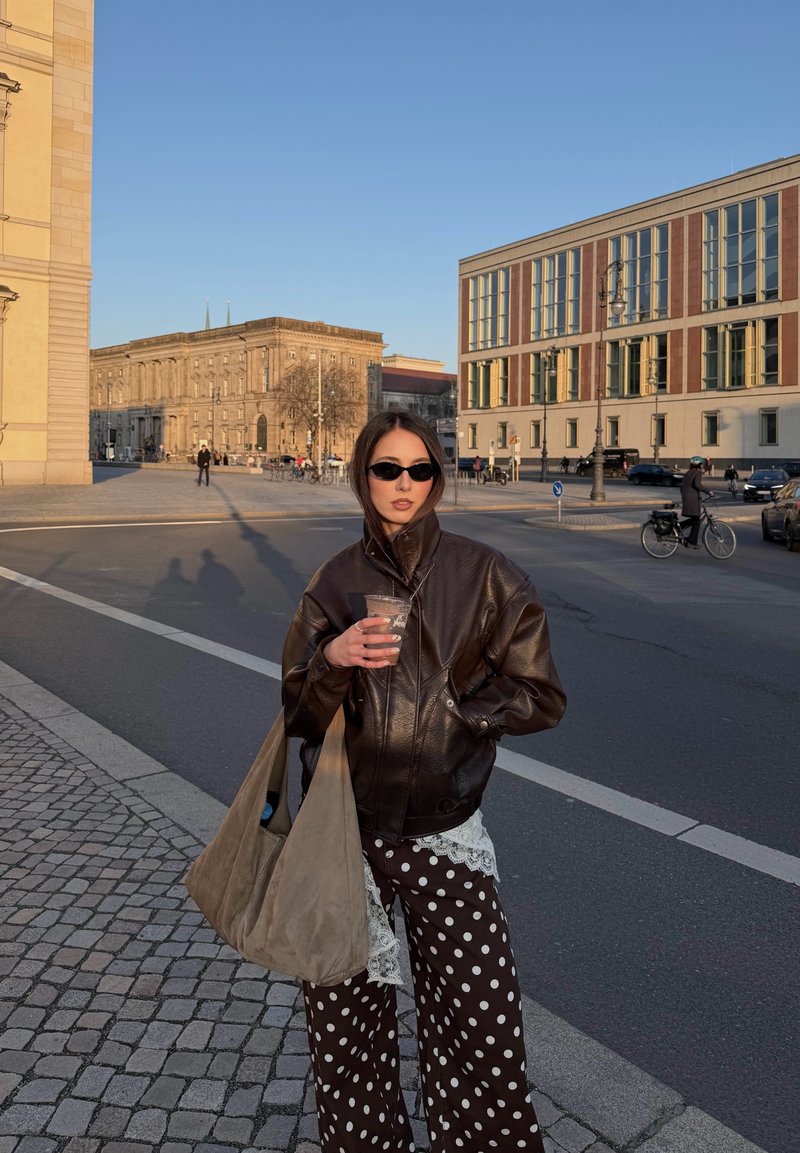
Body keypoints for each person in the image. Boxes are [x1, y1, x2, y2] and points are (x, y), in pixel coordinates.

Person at [282, 409, 566, 1153]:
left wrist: (459, 712)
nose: (403, 484)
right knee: (345, 1035)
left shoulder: (487, 573)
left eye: (419, 470)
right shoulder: (334, 580)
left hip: (445, 836)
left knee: (482, 1028)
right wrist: (333, 656)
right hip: (345, 834)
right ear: (362, 475)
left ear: (437, 478)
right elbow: (298, 713)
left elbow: (542, 694)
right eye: (386, 469)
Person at [680, 455, 713, 546]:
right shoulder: (697, 473)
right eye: (701, 464)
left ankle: (680, 527)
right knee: (696, 520)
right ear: (699, 465)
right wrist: (708, 492)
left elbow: (682, 487)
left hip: (686, 499)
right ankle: (692, 541)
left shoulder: (687, 473)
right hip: (692, 500)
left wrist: (687, 495)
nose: (702, 466)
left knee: (695, 519)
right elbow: (697, 485)